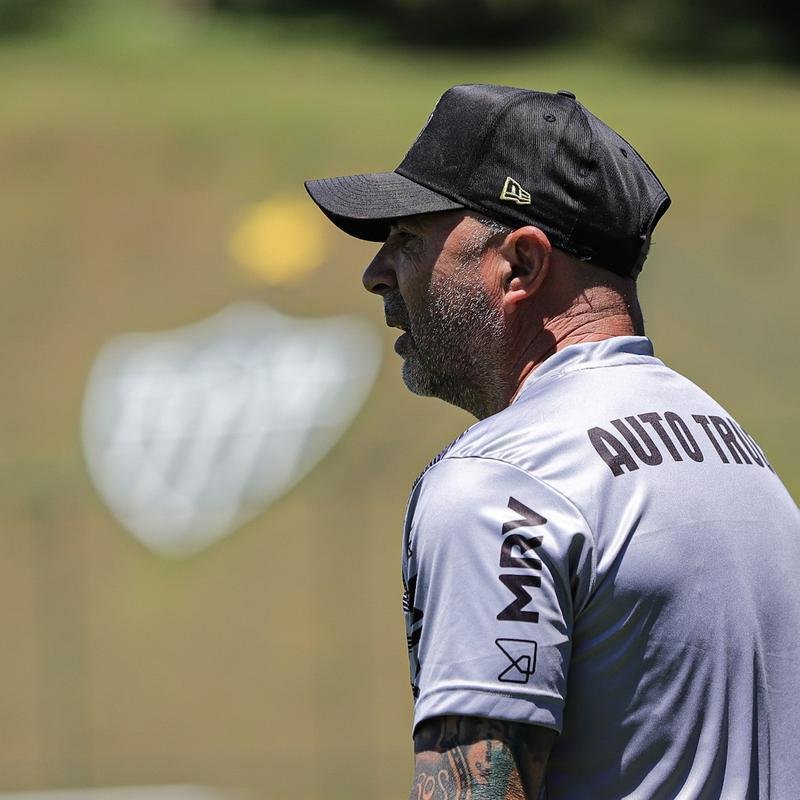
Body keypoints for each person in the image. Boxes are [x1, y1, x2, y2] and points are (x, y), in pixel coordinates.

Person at [304, 84, 800, 799]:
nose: (376, 272)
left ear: (522, 264)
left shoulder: (501, 481)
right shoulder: (740, 457)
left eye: (410, 239)